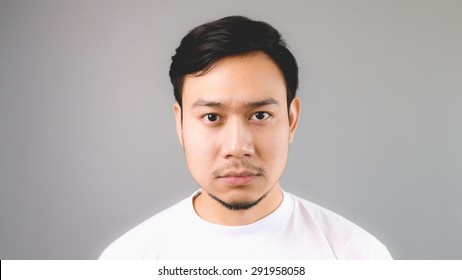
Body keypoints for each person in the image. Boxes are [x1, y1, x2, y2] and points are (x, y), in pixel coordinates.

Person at [99, 15, 392, 259]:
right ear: (180, 123)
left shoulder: (358, 257)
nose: (237, 147)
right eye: (212, 117)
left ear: (291, 120)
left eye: (260, 115)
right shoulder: (127, 260)